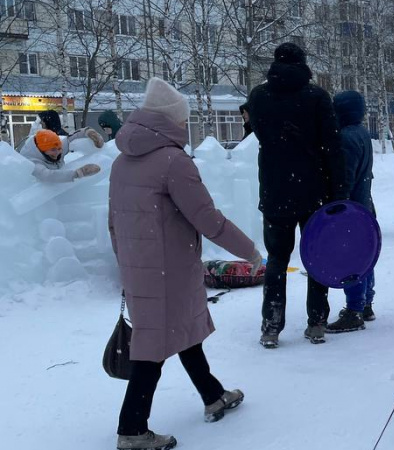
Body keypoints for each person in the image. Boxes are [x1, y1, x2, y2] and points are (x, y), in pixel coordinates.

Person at [109, 77, 263, 450]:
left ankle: (213, 395)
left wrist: (127, 264)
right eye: (182, 118)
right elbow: (208, 219)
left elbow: (113, 223)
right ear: (170, 120)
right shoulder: (173, 161)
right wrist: (250, 251)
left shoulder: (122, 161)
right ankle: (132, 429)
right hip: (169, 269)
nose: (184, 124)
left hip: (142, 267)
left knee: (183, 332)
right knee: (153, 348)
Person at [247, 42, 347, 347]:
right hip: (313, 191)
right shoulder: (317, 97)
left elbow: (260, 135)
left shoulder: (258, 96)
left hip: (276, 190)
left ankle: (271, 326)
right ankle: (316, 322)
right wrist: (339, 193)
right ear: (303, 63)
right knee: (316, 256)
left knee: (277, 259)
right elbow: (332, 148)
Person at [325, 90, 377, 333]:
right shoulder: (362, 132)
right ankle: (366, 304)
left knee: (351, 259)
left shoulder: (346, 138)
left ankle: (354, 311)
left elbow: (345, 178)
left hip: (351, 209)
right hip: (365, 205)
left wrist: (339, 208)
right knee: (365, 257)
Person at [20, 128, 104, 183]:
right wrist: (79, 173)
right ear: (42, 150)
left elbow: (71, 138)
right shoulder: (32, 162)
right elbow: (47, 176)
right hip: (38, 200)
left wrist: (89, 132)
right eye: (53, 150)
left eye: (59, 148)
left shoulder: (56, 149)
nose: (57, 153)